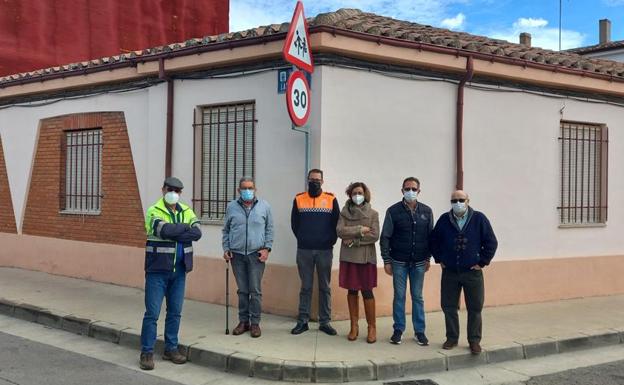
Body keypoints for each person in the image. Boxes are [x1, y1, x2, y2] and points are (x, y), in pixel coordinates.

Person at [140, 177, 202, 370]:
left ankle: (171, 348)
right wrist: (183, 228)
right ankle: (147, 352)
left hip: (180, 270)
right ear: (163, 189)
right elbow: (163, 229)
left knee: (175, 312)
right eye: (170, 189)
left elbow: (197, 233)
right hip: (157, 270)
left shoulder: (186, 210)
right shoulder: (153, 210)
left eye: (177, 190)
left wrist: (176, 231)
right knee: (152, 313)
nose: (174, 193)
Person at [430, 190, 498, 355]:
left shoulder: (479, 219)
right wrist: (440, 259)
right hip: (450, 272)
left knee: (475, 307)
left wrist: (482, 262)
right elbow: (433, 241)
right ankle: (452, 338)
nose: (458, 203)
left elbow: (491, 242)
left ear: (468, 200)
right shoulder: (444, 220)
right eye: (454, 200)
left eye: (461, 199)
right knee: (449, 306)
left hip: (472, 272)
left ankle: (474, 340)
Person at [380, 177, 434, 346]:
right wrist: (386, 260)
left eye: (414, 189)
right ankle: (398, 329)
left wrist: (428, 258)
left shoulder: (426, 211)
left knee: (417, 297)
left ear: (419, 191)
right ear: (402, 190)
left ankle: (420, 332)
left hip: (419, 263)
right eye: (407, 188)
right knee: (399, 296)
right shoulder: (393, 211)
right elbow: (385, 237)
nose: (410, 191)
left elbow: (431, 237)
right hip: (398, 262)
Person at [222, 176, 274, 338]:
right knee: (243, 291)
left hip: (256, 255)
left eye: (250, 188)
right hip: (236, 255)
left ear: (255, 189)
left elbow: (269, 229)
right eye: (244, 188)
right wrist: (226, 248)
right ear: (239, 190)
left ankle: (255, 323)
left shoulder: (264, 206)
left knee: (255, 291)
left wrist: (267, 249)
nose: (247, 191)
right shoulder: (231, 207)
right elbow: (226, 230)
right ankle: (243, 321)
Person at [290, 169, 340, 336]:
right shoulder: (298, 199)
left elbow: (336, 224)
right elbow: (294, 224)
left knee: (325, 287)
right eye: (312, 179)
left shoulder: (331, 199)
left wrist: (329, 241)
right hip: (304, 250)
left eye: (318, 180)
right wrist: (304, 238)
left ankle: (325, 322)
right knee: (306, 287)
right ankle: (302, 321)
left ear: (322, 181)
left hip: (325, 250)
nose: (315, 182)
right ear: (307, 180)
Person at [336, 182, 380, 343]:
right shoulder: (343, 212)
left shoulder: (373, 214)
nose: (357, 195)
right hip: (349, 258)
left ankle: (372, 327)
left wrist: (354, 241)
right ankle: (354, 326)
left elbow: (375, 235)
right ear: (350, 194)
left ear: (365, 194)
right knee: (352, 291)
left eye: (360, 192)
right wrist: (361, 229)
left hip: (366, 258)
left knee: (367, 291)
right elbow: (340, 231)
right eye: (354, 192)